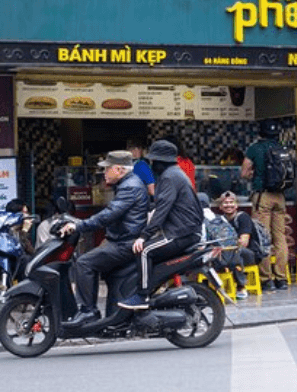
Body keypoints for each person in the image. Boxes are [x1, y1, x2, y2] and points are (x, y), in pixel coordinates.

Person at [59, 150, 149, 325]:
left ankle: (88, 311)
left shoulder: (130, 187)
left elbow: (108, 215)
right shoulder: (127, 184)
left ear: (118, 170)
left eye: (107, 169)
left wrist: (79, 226)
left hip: (125, 243)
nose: (104, 173)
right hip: (122, 240)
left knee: (84, 263)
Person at [118, 139, 203, 310]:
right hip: (186, 230)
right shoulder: (174, 173)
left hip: (181, 233)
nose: (152, 164)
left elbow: (162, 210)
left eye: (154, 161)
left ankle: (141, 296)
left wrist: (144, 236)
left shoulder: (170, 177)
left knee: (144, 251)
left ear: (160, 161)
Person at [241, 119, 289, 291]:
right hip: (280, 197)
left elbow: (244, 173)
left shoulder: (255, 148)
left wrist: (255, 173)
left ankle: (266, 278)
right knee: (280, 238)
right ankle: (282, 279)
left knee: (263, 238)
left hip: (263, 196)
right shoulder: (282, 147)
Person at [218, 191, 257, 300]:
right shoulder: (220, 221)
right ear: (220, 206)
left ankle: (241, 286)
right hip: (228, 252)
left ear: (236, 205)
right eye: (225, 203)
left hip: (248, 254)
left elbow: (244, 242)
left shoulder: (243, 217)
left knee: (235, 253)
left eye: (231, 202)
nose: (228, 205)